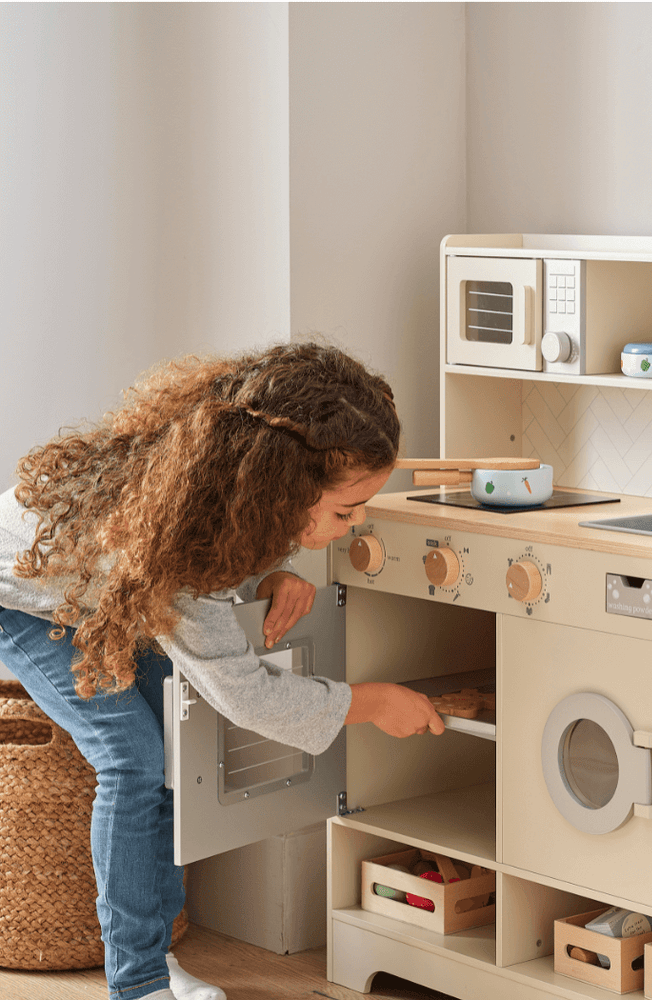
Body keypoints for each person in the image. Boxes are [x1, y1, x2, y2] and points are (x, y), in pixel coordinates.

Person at [0, 341, 444, 1000]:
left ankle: (152, 957)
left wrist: (276, 572)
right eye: (346, 512)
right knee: (133, 757)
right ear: (281, 486)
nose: (352, 526)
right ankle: (139, 980)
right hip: (28, 603)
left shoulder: (225, 487)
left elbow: (225, 549)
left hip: (115, 592)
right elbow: (246, 696)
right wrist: (372, 702)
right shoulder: (176, 532)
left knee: (175, 749)